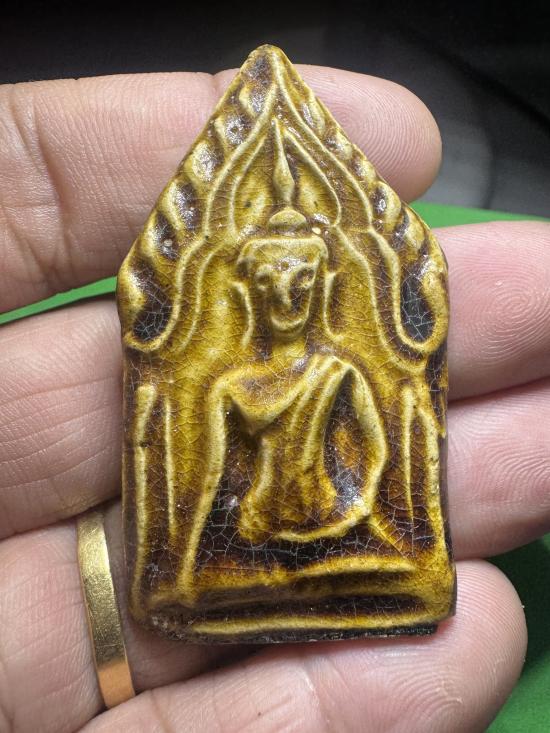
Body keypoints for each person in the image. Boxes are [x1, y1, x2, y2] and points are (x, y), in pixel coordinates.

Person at [0, 62, 546, 732]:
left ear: (320, 289)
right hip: (255, 526)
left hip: (340, 523)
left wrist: (350, 509)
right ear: (252, 292)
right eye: (274, 283)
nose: (288, 297)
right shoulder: (231, 386)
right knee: (196, 581)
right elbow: (211, 480)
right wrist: (187, 559)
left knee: (403, 569)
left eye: (301, 283)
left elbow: (375, 457)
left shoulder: (340, 374)